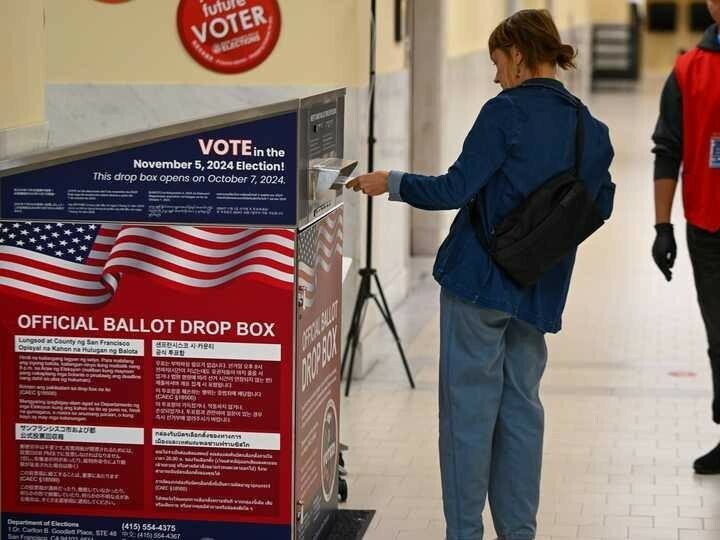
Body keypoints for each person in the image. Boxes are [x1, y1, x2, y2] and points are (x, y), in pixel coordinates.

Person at [347, 9, 615, 540]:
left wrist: (391, 181)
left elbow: (452, 189)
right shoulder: (592, 128)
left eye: (497, 62)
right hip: (537, 290)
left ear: (517, 54)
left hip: (477, 284)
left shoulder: (505, 112)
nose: (495, 76)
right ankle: (520, 533)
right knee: (521, 415)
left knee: (468, 419)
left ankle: (464, 534)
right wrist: (539, 246)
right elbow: (597, 206)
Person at [651, 0, 720, 475]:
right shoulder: (687, 70)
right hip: (708, 225)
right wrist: (662, 227)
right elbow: (667, 150)